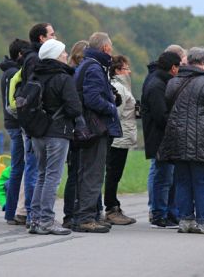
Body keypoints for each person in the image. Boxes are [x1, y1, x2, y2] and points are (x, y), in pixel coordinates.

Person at [158, 47, 204, 234]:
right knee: (201, 181)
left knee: (182, 181)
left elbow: (168, 101)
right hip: (202, 140)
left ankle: (185, 220)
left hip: (178, 138)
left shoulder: (174, 82)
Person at [27, 39, 82, 235]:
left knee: (41, 175)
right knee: (53, 176)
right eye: (63, 52)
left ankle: (34, 219)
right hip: (58, 132)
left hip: (37, 131)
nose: (66, 55)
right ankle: (47, 220)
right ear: (56, 56)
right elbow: (74, 107)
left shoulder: (34, 75)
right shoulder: (62, 77)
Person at [72, 32, 122, 233]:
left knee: (89, 172)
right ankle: (86, 217)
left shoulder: (88, 64)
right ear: (105, 48)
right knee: (93, 173)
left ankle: (89, 214)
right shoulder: (93, 67)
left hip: (91, 126)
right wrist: (111, 107)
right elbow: (92, 98)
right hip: (96, 127)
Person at [18, 23, 57, 226]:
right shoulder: (35, 59)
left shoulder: (31, 58)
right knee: (36, 169)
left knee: (36, 169)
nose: (55, 36)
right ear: (42, 38)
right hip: (36, 122)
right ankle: (34, 215)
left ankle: (31, 214)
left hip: (33, 121)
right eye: (52, 34)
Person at [145, 44, 186, 222]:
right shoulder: (157, 85)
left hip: (165, 138)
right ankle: (159, 214)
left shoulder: (161, 81)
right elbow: (161, 116)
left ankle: (169, 212)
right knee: (163, 178)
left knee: (168, 178)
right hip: (160, 138)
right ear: (173, 67)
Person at [0, 38, 31, 225]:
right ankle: (12, 211)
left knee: (17, 166)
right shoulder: (14, 73)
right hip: (15, 123)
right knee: (18, 167)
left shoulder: (7, 72)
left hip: (10, 122)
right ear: (20, 54)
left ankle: (11, 210)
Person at [104, 55, 137, 225]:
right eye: (126, 68)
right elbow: (116, 113)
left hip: (121, 135)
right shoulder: (120, 88)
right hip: (119, 137)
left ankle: (113, 204)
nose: (129, 71)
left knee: (114, 173)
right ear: (117, 70)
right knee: (113, 174)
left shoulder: (122, 87)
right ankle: (111, 208)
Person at [62, 39, 88, 228]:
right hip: (77, 127)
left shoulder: (70, 72)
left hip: (72, 127)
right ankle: (72, 213)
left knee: (75, 172)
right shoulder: (77, 74)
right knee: (77, 172)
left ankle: (71, 212)